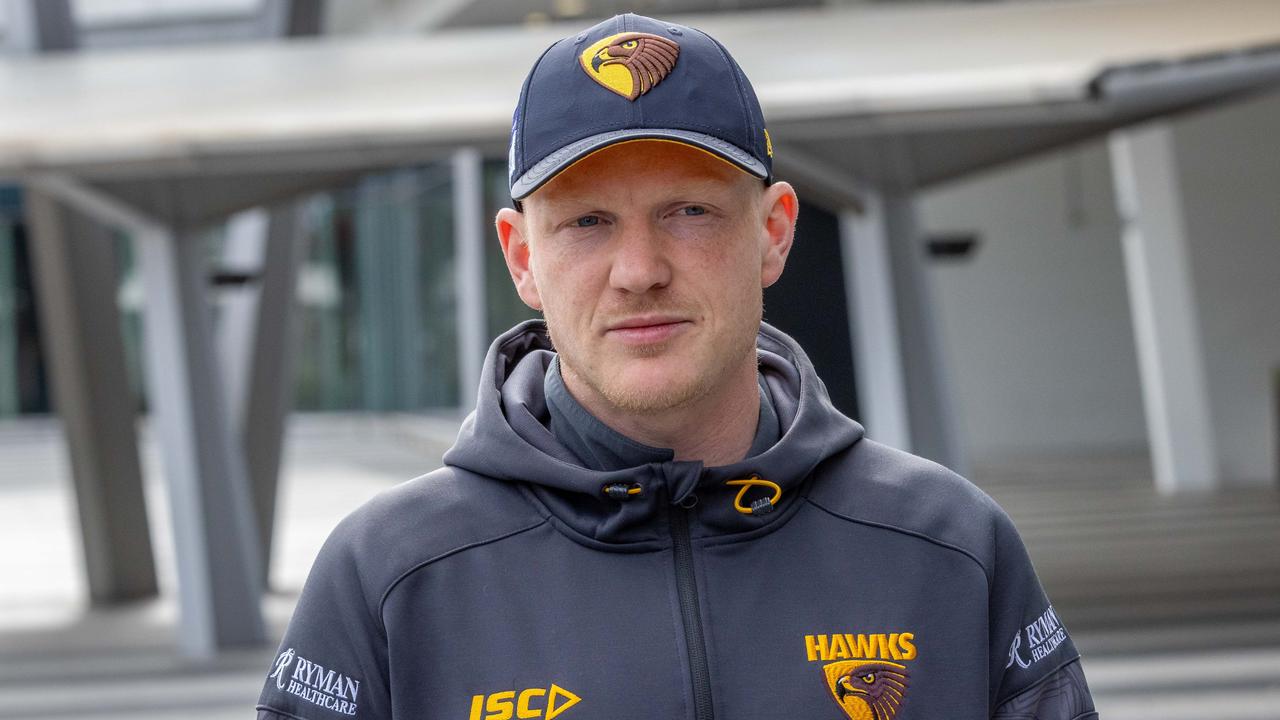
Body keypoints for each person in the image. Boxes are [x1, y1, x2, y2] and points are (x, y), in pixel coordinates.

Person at [256, 13, 1095, 720]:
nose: (639, 269)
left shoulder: (948, 548)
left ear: (772, 232)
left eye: (688, 212)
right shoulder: (389, 577)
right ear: (520, 257)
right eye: (586, 223)